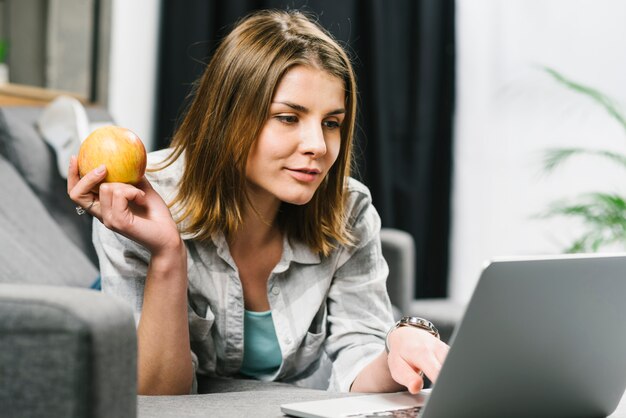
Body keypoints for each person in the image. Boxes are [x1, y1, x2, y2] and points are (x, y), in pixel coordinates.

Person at [68, 9, 449, 396]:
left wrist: (397, 356)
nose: (317, 146)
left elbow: (359, 354)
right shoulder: (141, 203)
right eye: (287, 118)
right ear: (229, 117)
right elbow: (156, 397)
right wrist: (168, 254)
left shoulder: (348, 207)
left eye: (331, 123)